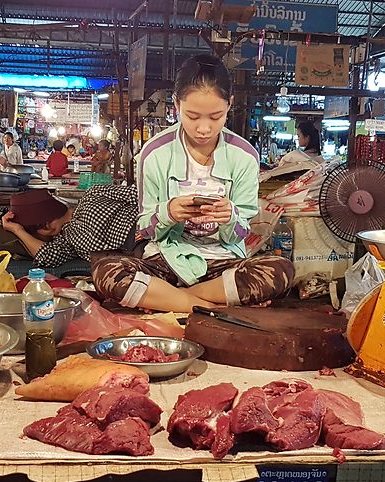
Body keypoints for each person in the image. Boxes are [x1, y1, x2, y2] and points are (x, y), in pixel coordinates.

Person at [92, 54, 294, 313]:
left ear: (229, 105)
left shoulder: (245, 156)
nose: (204, 128)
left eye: (216, 116)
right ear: (176, 104)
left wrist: (230, 217)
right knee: (106, 271)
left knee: (281, 271)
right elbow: (146, 229)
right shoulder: (154, 153)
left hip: (222, 267)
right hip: (166, 262)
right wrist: (168, 213)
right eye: (193, 116)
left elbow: (241, 234)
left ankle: (174, 299)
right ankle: (207, 307)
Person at [0, 184, 137, 268]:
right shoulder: (65, 240)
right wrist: (17, 230)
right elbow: (45, 255)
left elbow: (140, 195)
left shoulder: (93, 194)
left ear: (46, 227)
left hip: (149, 224)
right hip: (141, 254)